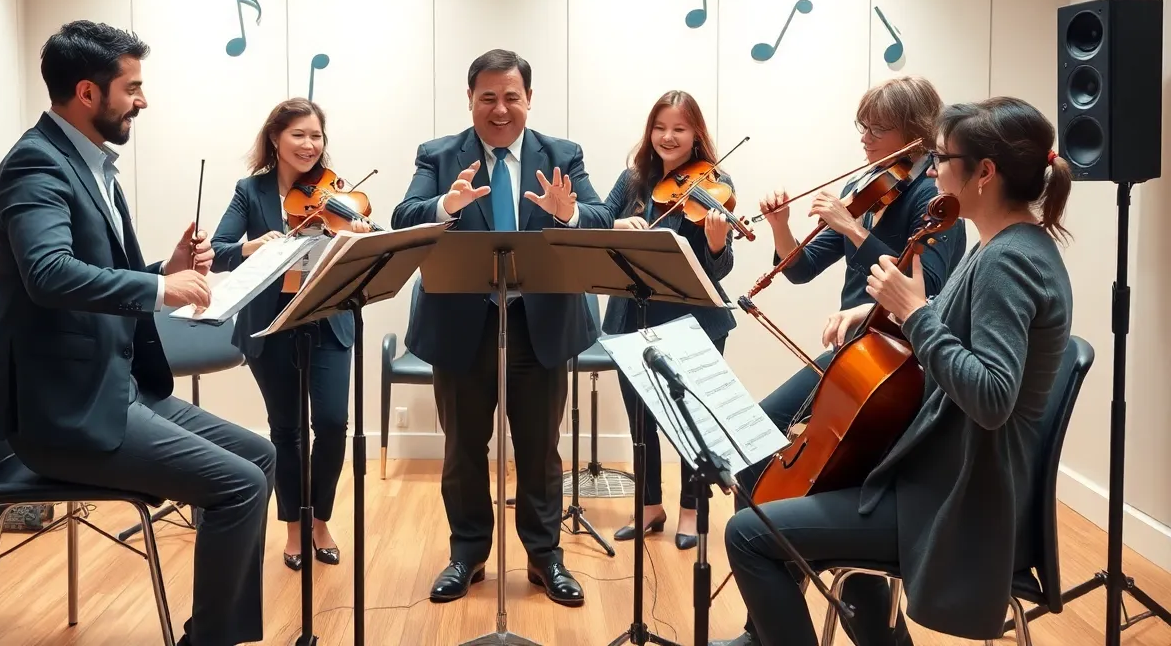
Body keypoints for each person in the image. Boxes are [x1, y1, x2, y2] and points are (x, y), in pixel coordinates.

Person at [713, 96, 1074, 646]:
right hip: (943, 471)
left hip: (956, 494)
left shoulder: (1010, 260)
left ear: (983, 173)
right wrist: (883, 310)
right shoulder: (1004, 245)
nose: (931, 170)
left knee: (748, 532)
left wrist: (914, 311)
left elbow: (993, 396)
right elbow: (952, 332)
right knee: (791, 492)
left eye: (942, 159)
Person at [0, 20, 277, 646]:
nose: (143, 101)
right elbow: (47, 275)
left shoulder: (91, 163)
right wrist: (157, 290)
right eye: (133, 87)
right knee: (239, 484)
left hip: (117, 388)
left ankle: (220, 633)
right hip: (65, 413)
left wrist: (161, 271)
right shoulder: (35, 165)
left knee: (261, 455)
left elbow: (95, 276)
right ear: (88, 93)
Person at [724, 76, 967, 644]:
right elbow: (802, 267)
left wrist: (855, 231)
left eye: (875, 129)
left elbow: (925, 288)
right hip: (852, 360)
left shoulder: (934, 199)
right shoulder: (877, 187)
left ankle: (772, 629)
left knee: (794, 482)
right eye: (862, 127)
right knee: (752, 449)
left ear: (914, 134)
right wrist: (785, 228)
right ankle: (771, 625)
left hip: (890, 374)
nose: (864, 139)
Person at [391, 49, 613, 607]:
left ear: (529, 99)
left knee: (540, 450)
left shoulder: (562, 154)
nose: (499, 109)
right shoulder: (439, 155)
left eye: (511, 97)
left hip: (540, 326)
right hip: (462, 326)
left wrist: (570, 215)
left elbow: (602, 219)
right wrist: (445, 204)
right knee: (464, 449)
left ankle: (545, 558)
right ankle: (467, 554)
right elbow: (402, 216)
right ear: (470, 99)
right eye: (487, 97)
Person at [210, 97, 372, 572]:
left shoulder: (334, 193)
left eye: (316, 136)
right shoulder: (250, 192)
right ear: (276, 139)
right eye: (298, 134)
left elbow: (365, 243)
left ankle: (321, 518)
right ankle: (295, 529)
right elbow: (220, 251)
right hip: (271, 321)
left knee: (332, 423)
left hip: (326, 317)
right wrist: (251, 245)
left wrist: (359, 233)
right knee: (287, 430)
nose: (308, 144)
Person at [602, 90, 738, 550]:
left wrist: (717, 245)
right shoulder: (633, 181)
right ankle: (649, 506)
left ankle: (691, 509)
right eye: (660, 127)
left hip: (693, 322)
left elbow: (720, 269)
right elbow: (597, 222)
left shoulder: (714, 185)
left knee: (689, 420)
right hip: (630, 318)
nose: (668, 137)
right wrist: (616, 225)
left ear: (696, 133)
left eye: (679, 128)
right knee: (641, 420)